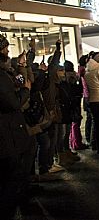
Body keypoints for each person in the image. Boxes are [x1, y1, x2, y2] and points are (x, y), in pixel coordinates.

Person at [0, 35, 33, 219]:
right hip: (7, 138)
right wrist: (25, 91)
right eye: (4, 49)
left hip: (8, 135)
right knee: (10, 182)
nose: (7, 52)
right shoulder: (1, 76)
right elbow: (12, 103)